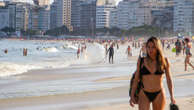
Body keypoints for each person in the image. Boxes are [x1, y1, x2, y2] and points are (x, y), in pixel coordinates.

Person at [130, 37, 176, 110]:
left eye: (153, 47)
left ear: (157, 48)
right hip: (144, 93)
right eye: (148, 47)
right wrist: (132, 95)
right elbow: (136, 79)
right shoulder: (141, 61)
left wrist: (172, 96)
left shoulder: (164, 61)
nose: (150, 49)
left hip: (159, 93)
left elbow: (169, 79)